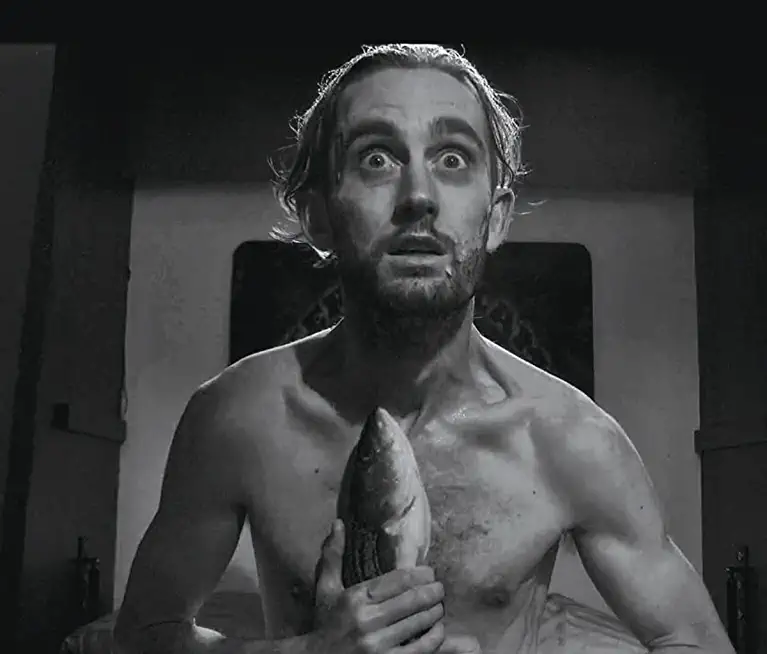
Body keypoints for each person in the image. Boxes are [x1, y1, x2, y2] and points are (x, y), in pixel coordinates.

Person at [114, 44, 733, 654]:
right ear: (318, 214)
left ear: (495, 218)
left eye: (453, 158)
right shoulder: (236, 418)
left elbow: (695, 642)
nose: (419, 195)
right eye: (377, 158)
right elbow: (142, 636)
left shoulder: (571, 439)